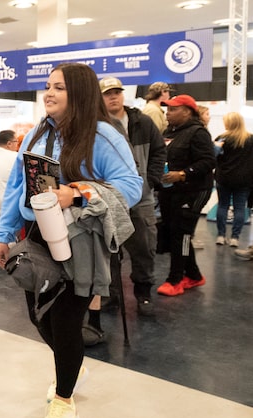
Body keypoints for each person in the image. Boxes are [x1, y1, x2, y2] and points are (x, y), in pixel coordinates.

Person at [0, 63, 142, 418]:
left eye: (59, 87)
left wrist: (76, 192)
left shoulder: (103, 135)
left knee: (64, 321)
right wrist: (3, 232)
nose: (49, 93)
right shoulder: (36, 136)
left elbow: (131, 186)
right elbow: (16, 187)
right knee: (38, 316)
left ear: (79, 92)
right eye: (47, 86)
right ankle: (72, 367)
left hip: (84, 243)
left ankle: (64, 401)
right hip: (37, 239)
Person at [90, 77, 166, 329]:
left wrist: (151, 180)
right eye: (107, 93)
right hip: (109, 198)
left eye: (117, 92)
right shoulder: (95, 126)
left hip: (141, 198)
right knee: (109, 247)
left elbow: (158, 151)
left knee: (144, 247)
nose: (113, 97)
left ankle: (143, 293)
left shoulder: (142, 122)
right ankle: (110, 293)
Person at [156, 94, 215, 296]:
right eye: (167, 108)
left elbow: (208, 162)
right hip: (171, 192)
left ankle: (176, 279)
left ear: (187, 112)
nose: (167, 112)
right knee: (175, 232)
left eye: (173, 109)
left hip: (194, 191)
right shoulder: (169, 132)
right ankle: (194, 276)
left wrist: (182, 174)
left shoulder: (198, 133)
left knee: (181, 233)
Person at [213, 112, 253, 248]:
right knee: (240, 208)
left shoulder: (222, 138)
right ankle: (235, 237)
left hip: (224, 178)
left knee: (222, 206)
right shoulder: (250, 139)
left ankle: (220, 235)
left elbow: (214, 156)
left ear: (228, 123)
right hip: (244, 180)